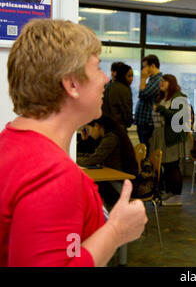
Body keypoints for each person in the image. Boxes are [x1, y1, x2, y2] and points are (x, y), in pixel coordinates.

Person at [0, 19, 147, 267]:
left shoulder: (10, 144)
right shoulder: (52, 174)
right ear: (72, 84)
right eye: (97, 68)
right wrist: (116, 232)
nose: (105, 79)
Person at [77, 115, 139, 207]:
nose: (88, 134)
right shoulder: (107, 136)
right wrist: (84, 141)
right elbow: (92, 155)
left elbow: (93, 160)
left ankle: (101, 217)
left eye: (88, 129)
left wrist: (73, 159)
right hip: (115, 180)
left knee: (87, 187)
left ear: (97, 126)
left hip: (120, 183)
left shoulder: (111, 138)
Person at [150, 74, 189, 206]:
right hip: (161, 135)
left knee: (173, 166)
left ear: (171, 83)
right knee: (166, 165)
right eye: (160, 81)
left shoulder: (179, 98)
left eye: (164, 81)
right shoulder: (162, 97)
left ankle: (177, 196)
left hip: (172, 136)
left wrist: (160, 109)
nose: (161, 83)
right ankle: (169, 192)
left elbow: (177, 117)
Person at [135, 54, 162, 157]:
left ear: (152, 66)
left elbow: (143, 94)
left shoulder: (158, 80)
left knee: (147, 153)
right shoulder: (151, 80)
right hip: (143, 122)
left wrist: (142, 79)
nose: (143, 70)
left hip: (148, 123)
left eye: (145, 66)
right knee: (143, 151)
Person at [101, 63, 134, 129]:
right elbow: (125, 109)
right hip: (118, 126)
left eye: (132, 76)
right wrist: (129, 122)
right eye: (129, 76)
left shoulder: (108, 86)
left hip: (107, 126)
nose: (131, 79)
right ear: (122, 75)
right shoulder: (123, 89)